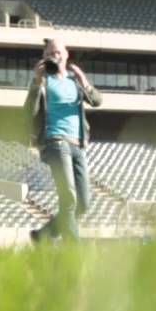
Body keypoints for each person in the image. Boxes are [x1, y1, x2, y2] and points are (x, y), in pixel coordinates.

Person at [25, 38, 102, 244]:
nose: (54, 56)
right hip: (55, 142)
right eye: (49, 53)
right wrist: (36, 82)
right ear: (44, 58)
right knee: (68, 198)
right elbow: (29, 112)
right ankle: (72, 250)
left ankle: (43, 235)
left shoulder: (74, 81)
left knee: (83, 203)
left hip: (78, 144)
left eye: (58, 52)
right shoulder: (43, 82)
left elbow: (97, 101)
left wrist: (83, 80)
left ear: (66, 55)